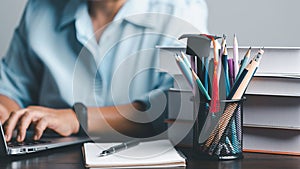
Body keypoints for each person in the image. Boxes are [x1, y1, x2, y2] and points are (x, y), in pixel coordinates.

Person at [0, 0, 208, 142]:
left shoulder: (182, 11)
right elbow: (12, 89)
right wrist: (4, 110)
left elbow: (176, 105)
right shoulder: (39, 9)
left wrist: (77, 119)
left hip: (144, 155)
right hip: (49, 154)